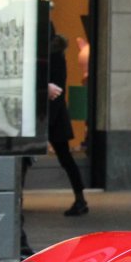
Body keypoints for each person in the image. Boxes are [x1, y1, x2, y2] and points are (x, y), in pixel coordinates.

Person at [48, 22, 89, 216]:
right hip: (55, 115)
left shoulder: (53, 56)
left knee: (65, 158)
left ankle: (80, 198)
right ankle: (80, 198)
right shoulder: (56, 54)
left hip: (51, 115)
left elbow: (56, 88)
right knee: (66, 158)